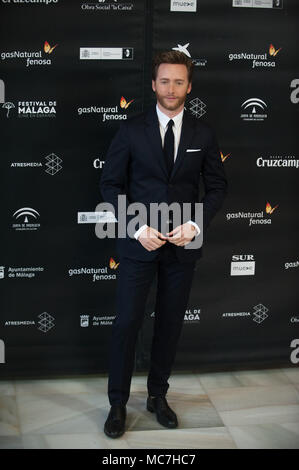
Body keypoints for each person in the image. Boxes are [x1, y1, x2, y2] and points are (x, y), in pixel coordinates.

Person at [100, 50, 228, 438]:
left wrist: (195, 223)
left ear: (189, 87)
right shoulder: (131, 130)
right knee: (126, 323)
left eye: (178, 82)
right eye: (164, 81)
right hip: (138, 244)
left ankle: (158, 396)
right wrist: (137, 227)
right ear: (153, 84)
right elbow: (110, 185)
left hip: (182, 246)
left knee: (170, 324)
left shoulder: (203, 133)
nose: (171, 89)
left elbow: (218, 186)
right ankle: (118, 404)